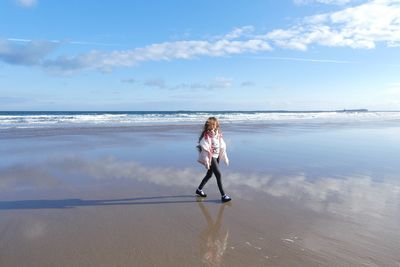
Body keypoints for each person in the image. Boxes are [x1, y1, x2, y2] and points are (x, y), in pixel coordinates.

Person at [196, 117, 231, 202]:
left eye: (215, 124)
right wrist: (207, 160)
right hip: (211, 157)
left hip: (217, 156)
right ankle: (223, 195)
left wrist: (225, 157)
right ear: (209, 126)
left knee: (209, 175)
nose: (213, 126)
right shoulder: (206, 136)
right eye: (212, 125)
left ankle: (199, 190)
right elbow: (204, 147)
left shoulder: (218, 135)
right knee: (218, 174)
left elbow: (222, 147)